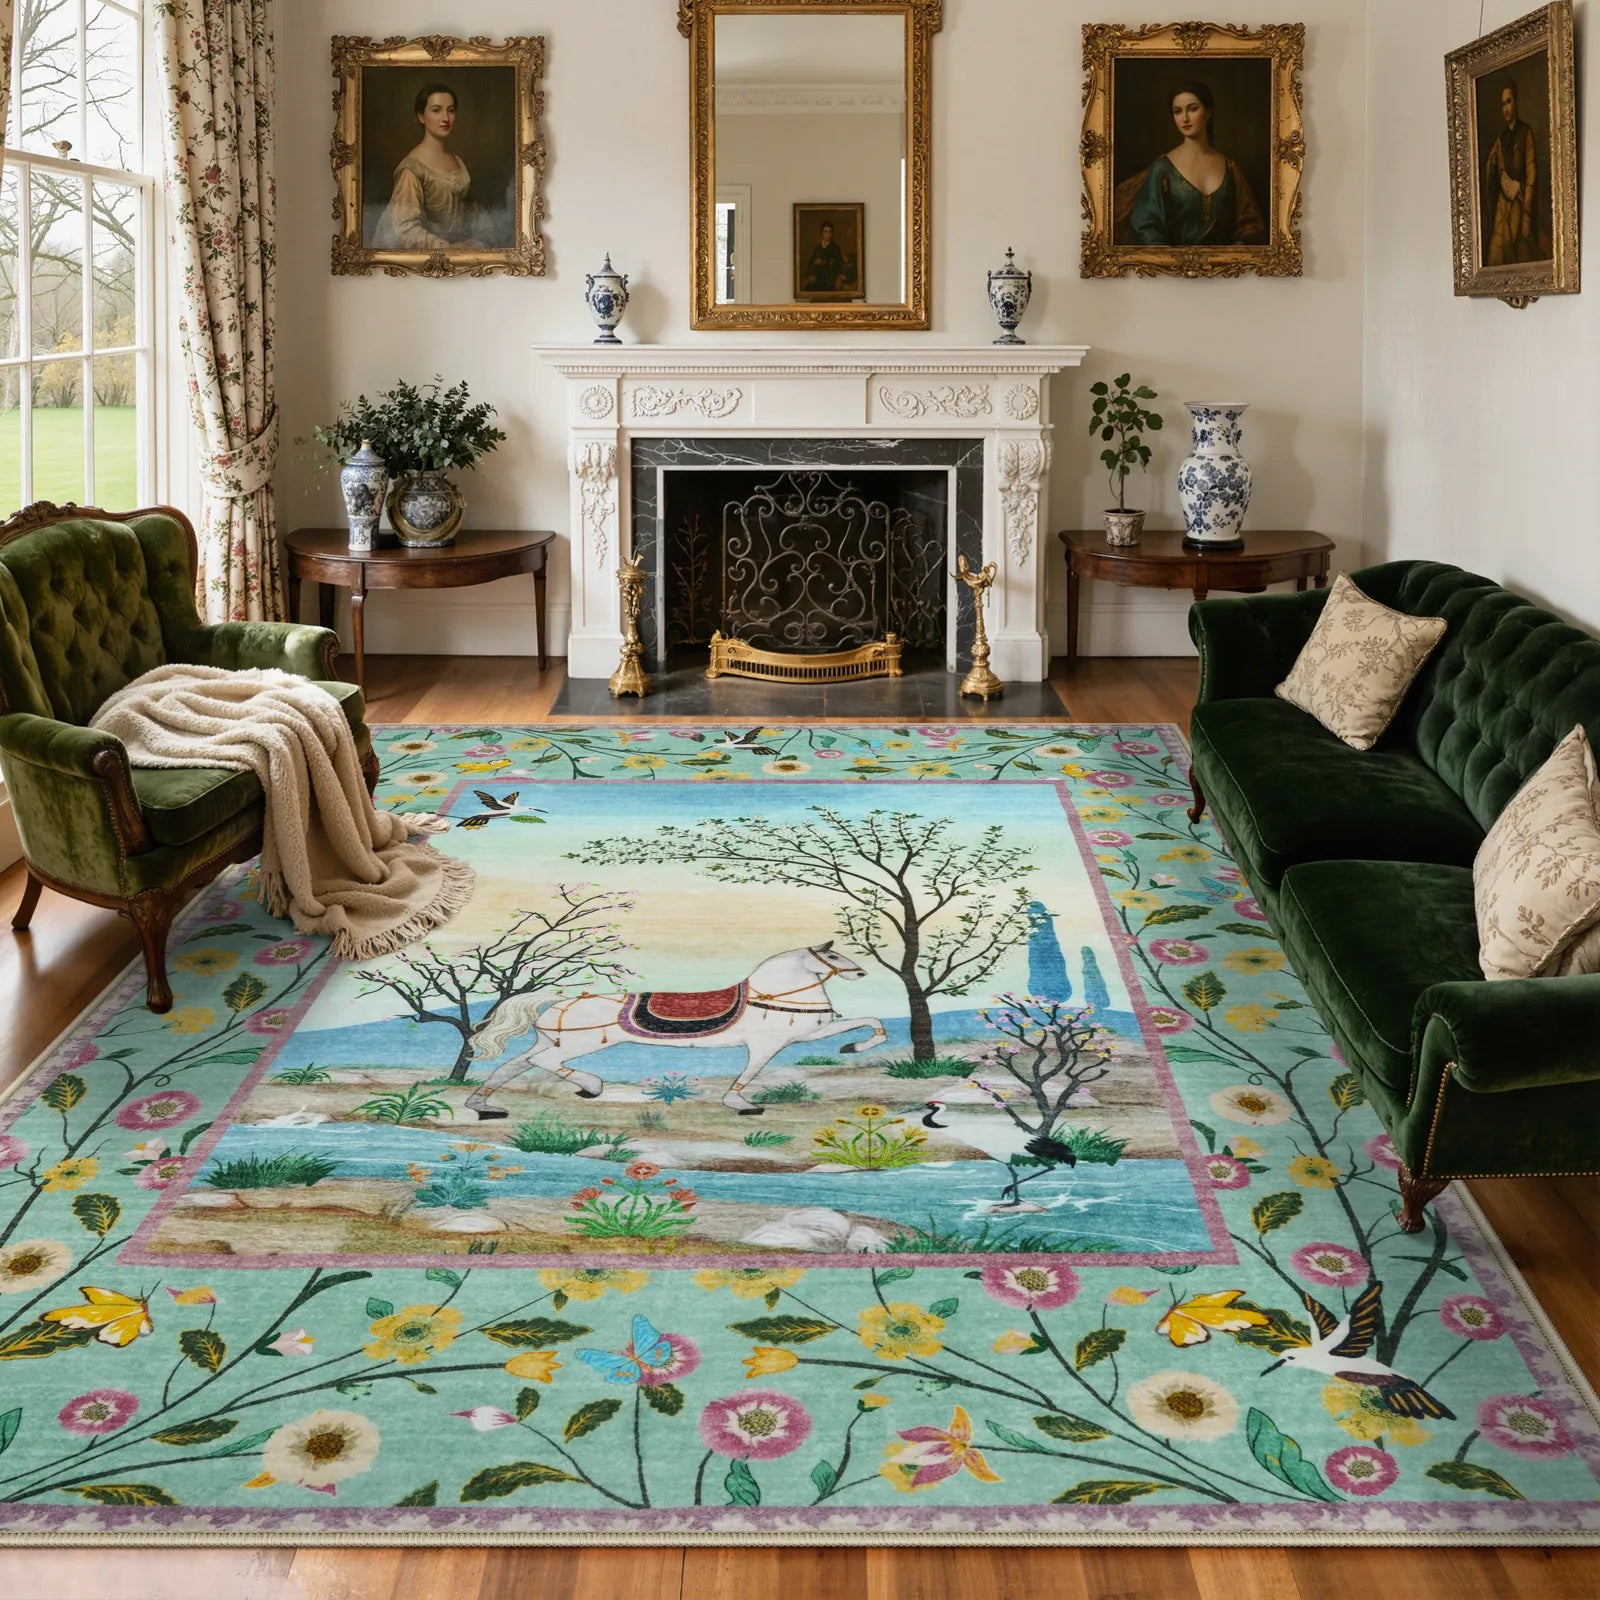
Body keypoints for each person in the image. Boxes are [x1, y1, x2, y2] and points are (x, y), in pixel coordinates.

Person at [1127, 80, 1267, 247]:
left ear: (1208, 112)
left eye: (1193, 109)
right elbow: (1145, 227)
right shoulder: (1163, 168)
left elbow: (1251, 224)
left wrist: (1237, 249)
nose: (1185, 118)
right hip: (1174, 262)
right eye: (1177, 111)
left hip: (1226, 262)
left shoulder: (1230, 167)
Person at [373, 82, 493, 251]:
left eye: (451, 110)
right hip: (431, 254)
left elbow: (470, 215)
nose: (445, 118)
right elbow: (405, 228)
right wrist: (447, 247)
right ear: (421, 116)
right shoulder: (412, 168)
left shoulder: (457, 160)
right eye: (436, 110)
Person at [1484, 80, 1543, 265]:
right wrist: (1497, 170)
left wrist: (1527, 216)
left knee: (1522, 253)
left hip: (1521, 201)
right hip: (1503, 205)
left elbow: (1532, 174)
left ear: (1516, 102)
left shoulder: (1526, 133)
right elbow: (1492, 171)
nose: (1505, 109)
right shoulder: (1500, 140)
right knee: (1495, 255)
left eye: (1508, 102)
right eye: (1502, 104)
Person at [800, 221, 849, 293]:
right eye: (825, 232)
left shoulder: (834, 248)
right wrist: (815, 263)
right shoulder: (818, 247)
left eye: (830, 232)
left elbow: (838, 263)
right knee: (810, 285)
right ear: (822, 233)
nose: (828, 234)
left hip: (829, 275)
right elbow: (811, 262)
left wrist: (825, 263)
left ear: (832, 233)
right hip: (817, 273)